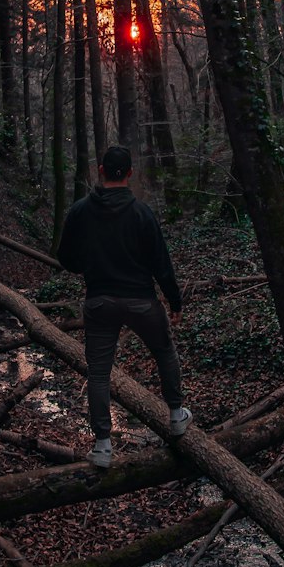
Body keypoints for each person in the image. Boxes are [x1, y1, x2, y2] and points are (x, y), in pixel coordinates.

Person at [57, 143, 191, 468]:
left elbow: (66, 258)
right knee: (164, 353)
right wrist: (174, 301)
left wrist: (88, 266)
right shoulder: (142, 213)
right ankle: (176, 416)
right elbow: (162, 263)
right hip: (141, 300)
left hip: (100, 302)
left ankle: (102, 446)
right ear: (130, 173)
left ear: (101, 171)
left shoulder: (80, 211)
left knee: (99, 374)